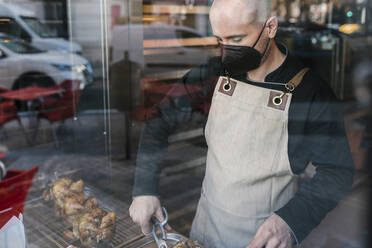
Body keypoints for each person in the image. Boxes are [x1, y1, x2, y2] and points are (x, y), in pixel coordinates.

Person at [129, 0, 354, 247]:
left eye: (236, 39)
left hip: (263, 239)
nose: (226, 51)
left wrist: (290, 222)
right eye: (219, 40)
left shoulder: (310, 92)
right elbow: (160, 119)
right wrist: (144, 188)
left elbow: (337, 172)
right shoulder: (214, 74)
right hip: (204, 231)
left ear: (270, 27)